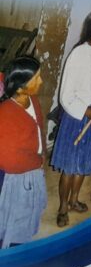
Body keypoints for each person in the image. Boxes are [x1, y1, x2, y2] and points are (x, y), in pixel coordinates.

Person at [50, 9, 91, 227]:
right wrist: (86, 110)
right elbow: (65, 95)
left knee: (85, 162)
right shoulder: (78, 55)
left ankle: (73, 200)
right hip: (78, 115)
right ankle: (62, 208)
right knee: (70, 166)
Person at [0, 56, 48, 248]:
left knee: (29, 213)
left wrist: (41, 154)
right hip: (16, 178)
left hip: (33, 168)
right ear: (20, 88)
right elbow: (9, 161)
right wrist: (37, 162)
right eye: (36, 78)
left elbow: (39, 128)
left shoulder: (31, 99)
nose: (41, 81)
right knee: (13, 221)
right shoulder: (5, 114)